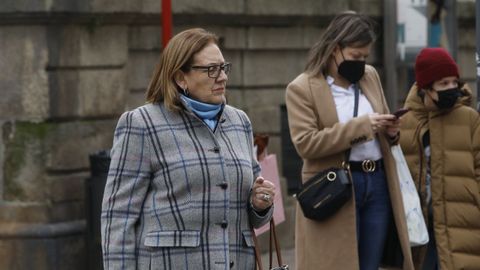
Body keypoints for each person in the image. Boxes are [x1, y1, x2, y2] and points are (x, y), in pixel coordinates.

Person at [101, 28, 275, 270]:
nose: (222, 77)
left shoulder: (240, 122)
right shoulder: (142, 123)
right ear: (180, 78)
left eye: (224, 68)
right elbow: (119, 216)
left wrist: (260, 204)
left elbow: (253, 214)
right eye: (211, 69)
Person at [285, 11, 414, 270]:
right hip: (337, 186)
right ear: (335, 49)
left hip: (377, 182)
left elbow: (381, 130)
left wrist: (391, 132)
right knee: (336, 263)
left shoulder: (370, 77)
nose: (362, 63)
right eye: (356, 56)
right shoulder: (302, 88)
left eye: (366, 56)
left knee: (371, 264)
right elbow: (306, 143)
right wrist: (363, 127)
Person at [399, 47, 480, 270]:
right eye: (443, 84)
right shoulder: (405, 123)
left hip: (463, 223)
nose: (452, 89)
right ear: (425, 88)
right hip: (420, 229)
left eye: (454, 82)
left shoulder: (469, 119)